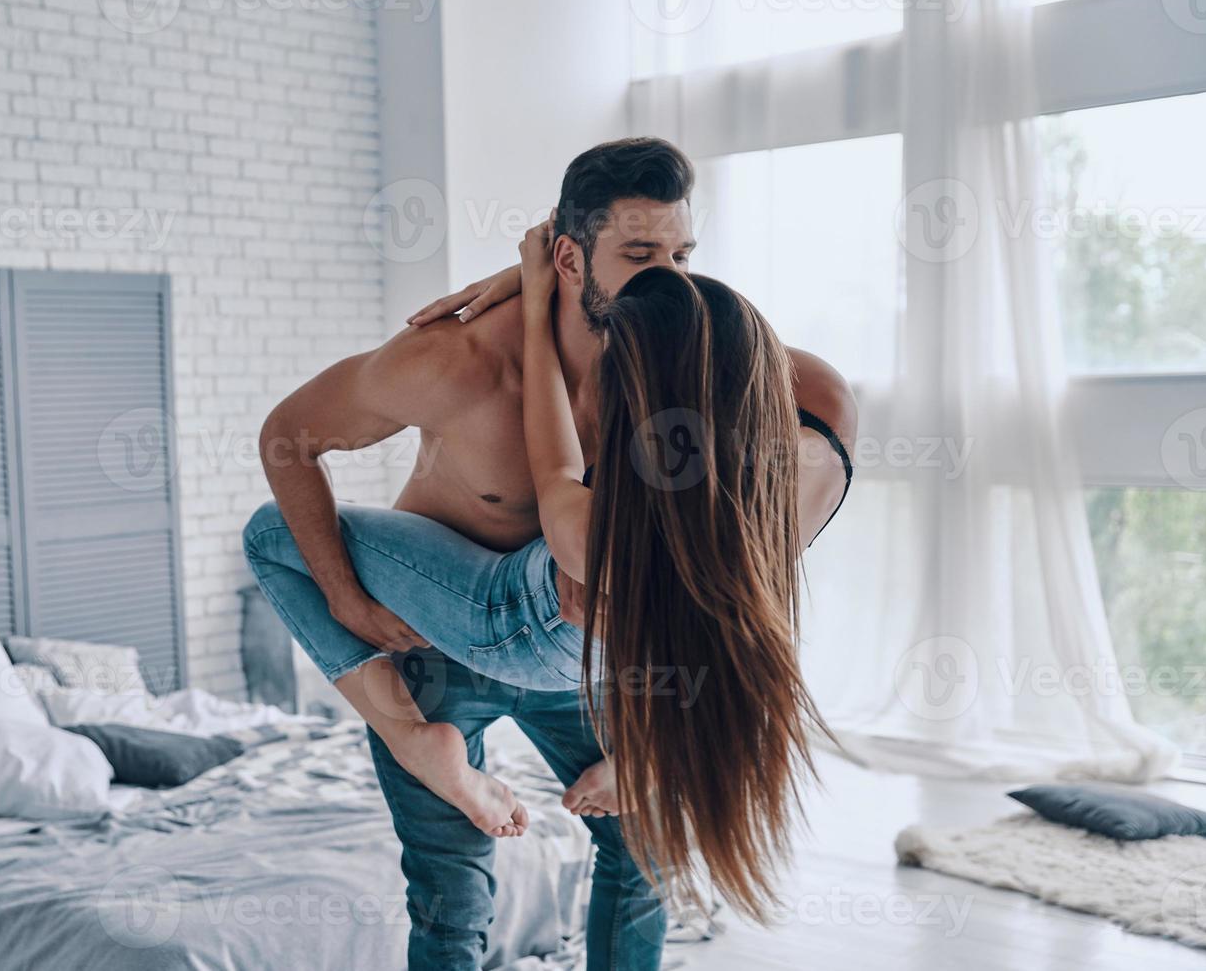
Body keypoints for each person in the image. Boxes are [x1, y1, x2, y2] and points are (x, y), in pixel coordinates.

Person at [244, 137, 856, 971]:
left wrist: (646, 747)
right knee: (450, 900)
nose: (668, 280)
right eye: (640, 255)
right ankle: (422, 747)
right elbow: (289, 436)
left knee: (647, 855)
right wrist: (347, 601)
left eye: (683, 254)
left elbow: (790, 439)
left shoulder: (688, 360)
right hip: (439, 644)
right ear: (571, 258)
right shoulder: (456, 363)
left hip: (586, 657)